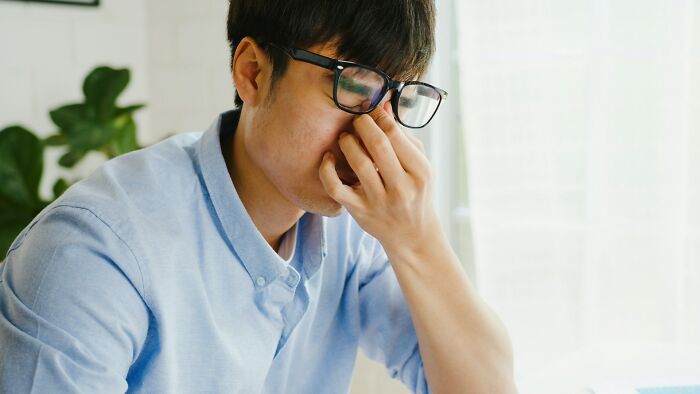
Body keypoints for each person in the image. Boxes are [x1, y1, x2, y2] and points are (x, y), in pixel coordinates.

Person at [0, 0, 516, 392]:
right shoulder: (93, 253)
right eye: (355, 85)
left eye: (399, 96)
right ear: (252, 72)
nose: (377, 132)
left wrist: (417, 238)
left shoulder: (357, 229)